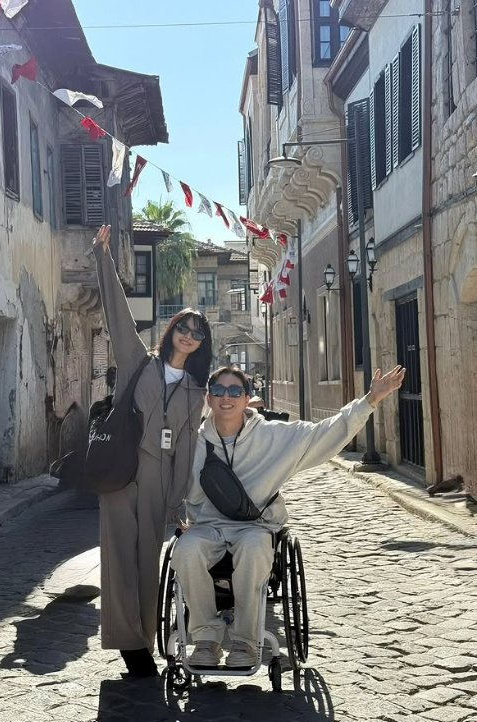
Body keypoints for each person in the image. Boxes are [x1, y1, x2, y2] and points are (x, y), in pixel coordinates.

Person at [171, 363, 405, 669]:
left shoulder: (273, 435)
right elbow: (165, 477)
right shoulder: (191, 441)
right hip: (208, 525)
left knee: (255, 548)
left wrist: (370, 400)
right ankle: (205, 639)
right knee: (186, 549)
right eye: (218, 390)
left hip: (256, 525)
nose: (226, 397)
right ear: (209, 397)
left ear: (247, 398)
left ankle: (245, 641)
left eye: (234, 391)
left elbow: (324, 432)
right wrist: (172, 512)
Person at [93, 224, 213, 678]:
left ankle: (144, 636)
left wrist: (179, 500)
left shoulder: (195, 390)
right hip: (122, 472)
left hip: (159, 478)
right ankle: (129, 645)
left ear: (201, 344)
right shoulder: (139, 361)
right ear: (171, 330)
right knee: (119, 557)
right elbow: (118, 316)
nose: (188, 335)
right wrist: (103, 257)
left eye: (196, 333)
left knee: (148, 560)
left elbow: (186, 444)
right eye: (183, 327)